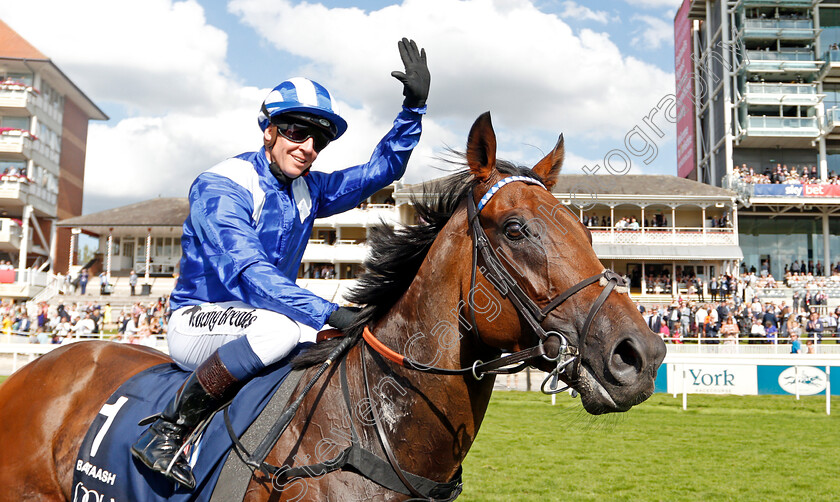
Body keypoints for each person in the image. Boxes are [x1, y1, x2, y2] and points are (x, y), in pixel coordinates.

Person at [130, 38, 431, 490]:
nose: (309, 147)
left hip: (266, 317)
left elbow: (380, 170)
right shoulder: (222, 185)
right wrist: (326, 311)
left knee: (339, 343)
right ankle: (168, 431)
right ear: (268, 129)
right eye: (296, 132)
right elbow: (249, 271)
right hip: (197, 320)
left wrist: (413, 109)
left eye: (320, 139)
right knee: (282, 330)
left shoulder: (309, 188)